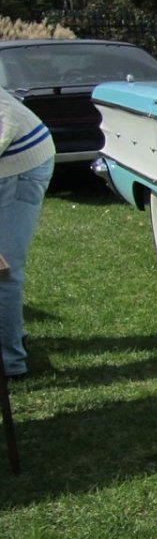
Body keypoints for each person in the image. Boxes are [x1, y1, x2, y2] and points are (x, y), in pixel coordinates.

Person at [0, 86, 55, 380]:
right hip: (10, 160)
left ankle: (10, 364)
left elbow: (4, 125)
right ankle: (14, 337)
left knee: (2, 268)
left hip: (19, 164)